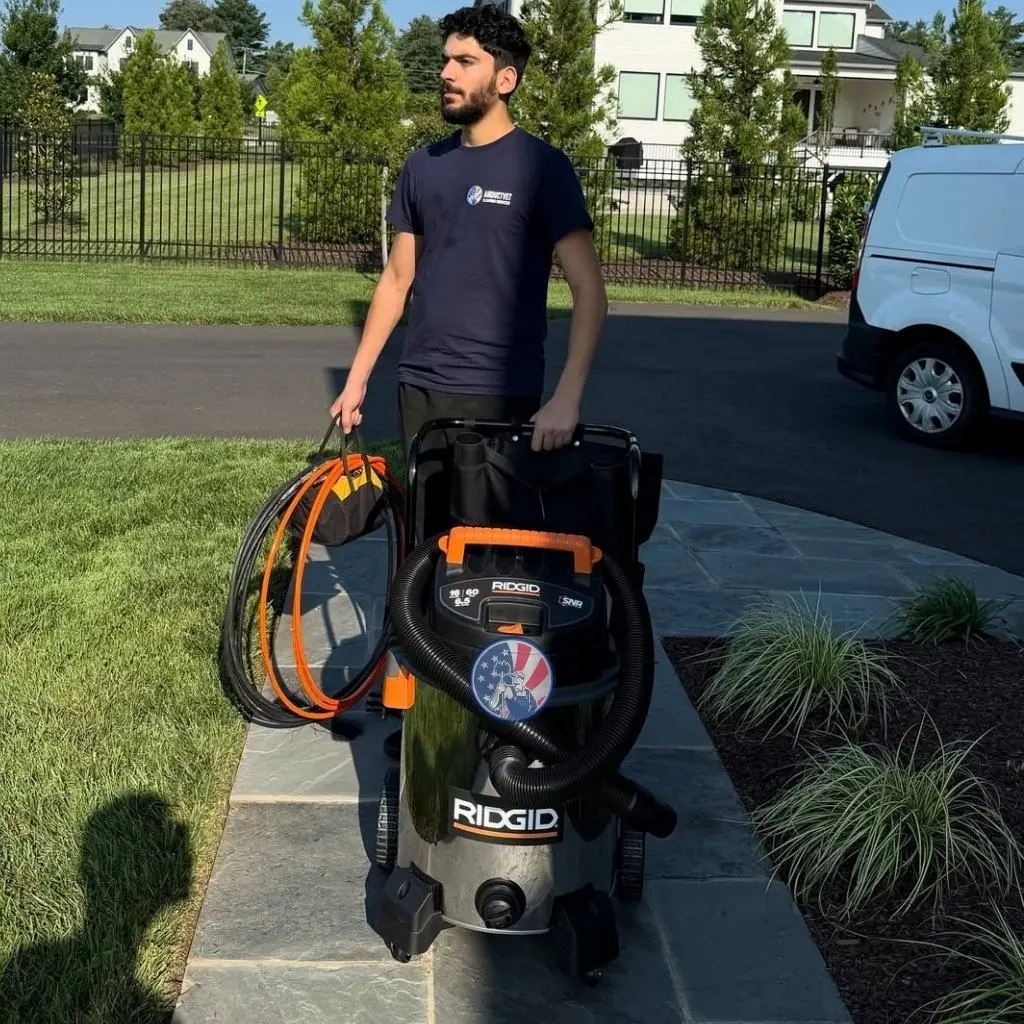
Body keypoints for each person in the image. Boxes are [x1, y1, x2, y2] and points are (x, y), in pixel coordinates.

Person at [329, 3, 608, 545]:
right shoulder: (423, 166)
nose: (446, 74)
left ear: (505, 79)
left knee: (486, 549)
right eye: (445, 61)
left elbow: (589, 291)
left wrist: (568, 396)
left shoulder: (543, 168)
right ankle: (409, 631)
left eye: (464, 62)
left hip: (500, 394)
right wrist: (359, 375)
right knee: (420, 539)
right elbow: (395, 280)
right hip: (421, 385)